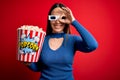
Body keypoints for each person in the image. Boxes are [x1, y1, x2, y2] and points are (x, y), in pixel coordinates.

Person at [24, 3, 98, 80]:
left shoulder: (72, 40)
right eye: (53, 17)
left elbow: (92, 45)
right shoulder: (40, 40)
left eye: (62, 17)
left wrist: (73, 21)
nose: (57, 21)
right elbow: (38, 68)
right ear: (49, 20)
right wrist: (28, 63)